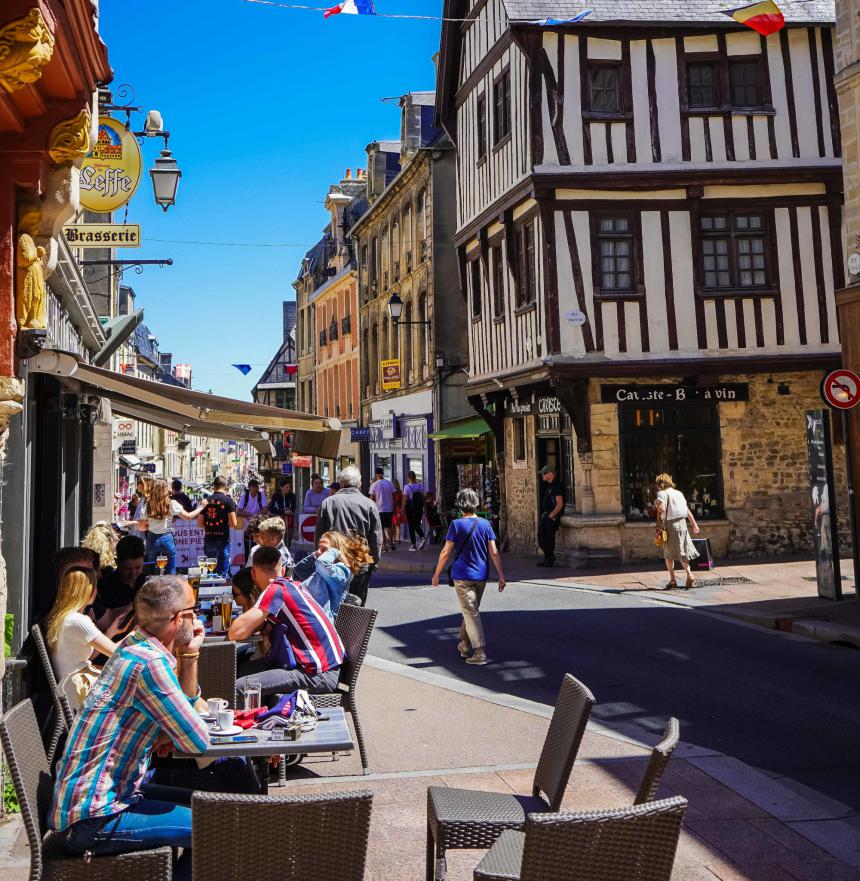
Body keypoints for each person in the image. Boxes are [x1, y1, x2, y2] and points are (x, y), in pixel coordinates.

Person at [48, 576, 210, 881]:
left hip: (96, 802)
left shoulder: (132, 647)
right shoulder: (149, 663)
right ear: (178, 619)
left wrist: (187, 655)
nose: (197, 618)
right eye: (193, 611)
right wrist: (190, 653)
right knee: (214, 829)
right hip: (92, 819)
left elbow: (180, 723)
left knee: (204, 802)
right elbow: (196, 742)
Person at [230, 546, 344, 696]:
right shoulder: (293, 585)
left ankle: (253, 718)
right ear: (282, 570)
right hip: (326, 667)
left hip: (318, 674)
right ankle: (261, 713)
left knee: (239, 687)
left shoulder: (275, 590)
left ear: (253, 573)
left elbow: (235, 632)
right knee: (246, 669)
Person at [431, 489, 505, 666]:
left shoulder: (456, 525)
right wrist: (501, 575)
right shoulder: (485, 524)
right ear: (475, 503)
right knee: (471, 611)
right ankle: (464, 644)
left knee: (470, 612)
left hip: (462, 575)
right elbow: (494, 552)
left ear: (460, 505)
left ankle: (479, 651)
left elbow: (446, 552)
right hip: (481, 575)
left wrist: (436, 574)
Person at [45, 567, 120, 697]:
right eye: (95, 586)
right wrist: (134, 636)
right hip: (80, 689)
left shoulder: (63, 617)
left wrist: (113, 631)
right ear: (88, 590)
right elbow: (117, 653)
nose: (97, 591)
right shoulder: (78, 620)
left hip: (71, 688)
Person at [315, 465, 383, 606]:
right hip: (360, 562)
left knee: (333, 604)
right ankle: (353, 627)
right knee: (356, 606)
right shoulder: (369, 504)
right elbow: (376, 538)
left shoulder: (328, 503)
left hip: (334, 562)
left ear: (341, 483)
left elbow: (319, 536)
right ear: (359, 484)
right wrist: (374, 561)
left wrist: (320, 558)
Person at [292, 531, 373, 620]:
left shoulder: (341, 570)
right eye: (319, 548)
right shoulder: (324, 568)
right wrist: (314, 555)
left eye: (324, 549)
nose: (318, 551)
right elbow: (299, 570)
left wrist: (335, 551)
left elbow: (321, 562)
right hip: (310, 614)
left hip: (321, 620)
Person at [135, 478, 203, 575]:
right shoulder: (171, 503)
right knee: (170, 569)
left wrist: (148, 525)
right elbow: (189, 517)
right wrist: (201, 507)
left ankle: (153, 587)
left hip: (151, 538)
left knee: (153, 570)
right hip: (167, 537)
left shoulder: (148, 504)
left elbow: (141, 527)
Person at [654, 473, 700, 590]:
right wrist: (694, 525)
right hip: (683, 523)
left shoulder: (661, 494)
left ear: (661, 484)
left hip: (670, 525)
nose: (657, 487)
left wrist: (656, 503)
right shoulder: (679, 493)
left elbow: (662, 509)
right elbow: (687, 510)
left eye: (658, 484)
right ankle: (689, 574)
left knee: (668, 555)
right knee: (682, 551)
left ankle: (673, 580)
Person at [95, 535, 146, 622]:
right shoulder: (105, 586)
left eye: (138, 567)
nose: (133, 573)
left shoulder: (146, 583)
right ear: (117, 562)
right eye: (127, 568)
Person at [197, 476, 238, 578]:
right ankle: (219, 592)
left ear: (213, 486)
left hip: (209, 539)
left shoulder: (205, 500)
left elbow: (200, 524)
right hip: (223, 539)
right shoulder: (228, 501)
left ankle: (210, 592)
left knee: (210, 572)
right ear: (225, 487)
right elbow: (234, 523)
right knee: (221, 574)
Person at [537, 465, 564, 567]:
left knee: (548, 537)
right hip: (546, 515)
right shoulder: (550, 485)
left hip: (551, 517)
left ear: (551, 474)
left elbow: (560, 504)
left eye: (544, 473)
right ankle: (547, 557)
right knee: (541, 536)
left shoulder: (556, 485)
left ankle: (549, 558)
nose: (542, 476)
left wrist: (551, 516)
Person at [237, 478, 267, 559]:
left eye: (257, 487)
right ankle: (247, 558)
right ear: (249, 487)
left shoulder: (261, 495)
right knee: (247, 542)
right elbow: (238, 511)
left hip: (258, 522)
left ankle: (258, 557)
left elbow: (265, 509)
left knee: (258, 540)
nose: (256, 489)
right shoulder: (244, 497)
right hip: (246, 524)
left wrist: (256, 515)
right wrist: (248, 514)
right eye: (254, 487)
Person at [369, 467, 396, 552]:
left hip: (379, 509)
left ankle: (384, 546)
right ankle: (391, 542)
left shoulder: (374, 485)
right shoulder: (389, 483)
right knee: (389, 526)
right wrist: (394, 506)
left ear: (376, 474)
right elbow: (394, 496)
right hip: (389, 508)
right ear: (383, 474)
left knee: (381, 528)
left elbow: (372, 498)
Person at [268, 477, 297, 547]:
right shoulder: (275, 496)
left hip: (289, 522)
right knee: (278, 538)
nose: (289, 488)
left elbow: (293, 508)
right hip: (278, 521)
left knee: (288, 540)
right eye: (287, 487)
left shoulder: (292, 496)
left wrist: (289, 511)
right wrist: (283, 512)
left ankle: (287, 552)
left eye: (289, 487)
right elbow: (272, 508)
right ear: (281, 487)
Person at [404, 471, 427, 551]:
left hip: (410, 508)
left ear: (408, 478)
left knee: (411, 526)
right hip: (419, 508)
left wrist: (402, 508)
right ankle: (422, 537)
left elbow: (405, 499)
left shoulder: (407, 487)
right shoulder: (420, 486)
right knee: (417, 524)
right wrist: (424, 507)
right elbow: (423, 497)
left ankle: (413, 544)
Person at [125, 474, 154, 539]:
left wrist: (132, 522)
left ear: (145, 484)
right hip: (138, 533)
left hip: (147, 535)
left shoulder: (151, 500)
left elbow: (148, 521)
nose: (137, 484)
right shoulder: (142, 498)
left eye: (139, 482)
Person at [391, 479, 405, 546]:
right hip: (398, 509)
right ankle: (398, 538)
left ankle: (393, 539)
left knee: (393, 525)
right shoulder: (400, 492)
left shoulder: (392, 492)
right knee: (397, 525)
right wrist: (402, 509)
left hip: (393, 509)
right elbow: (402, 501)